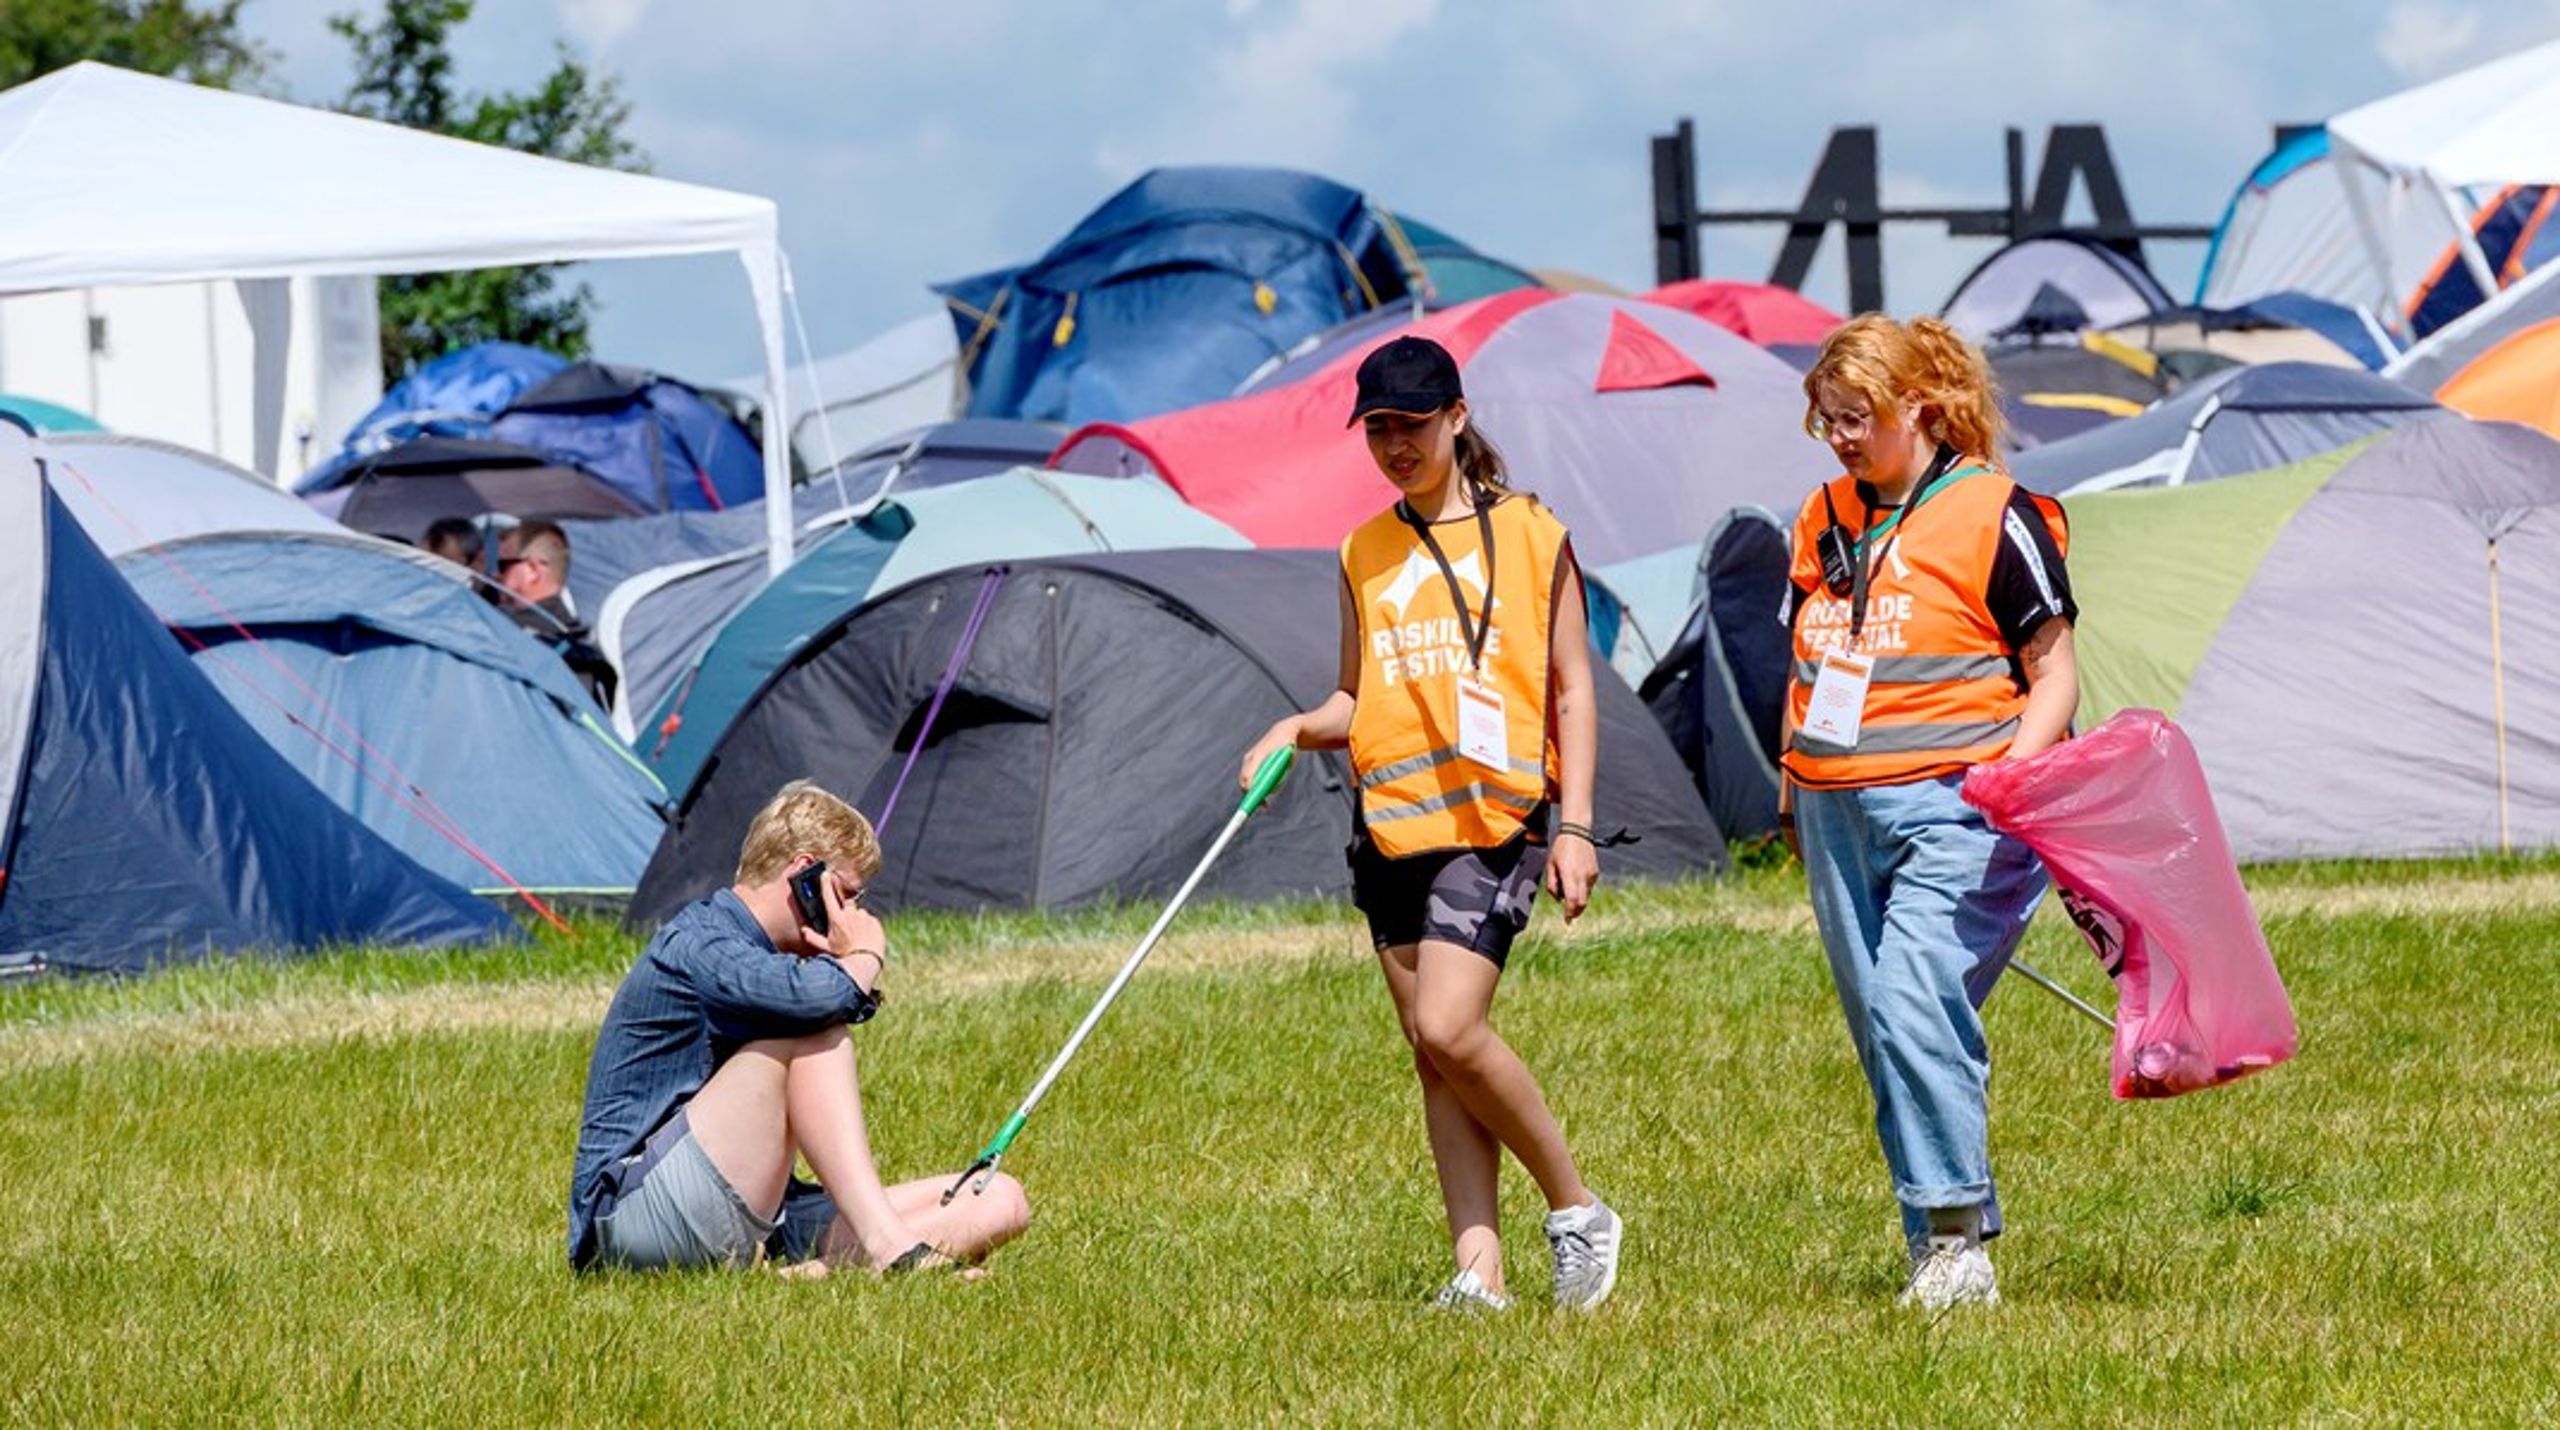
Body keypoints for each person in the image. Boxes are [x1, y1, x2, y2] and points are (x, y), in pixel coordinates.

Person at [1240, 335, 1622, 1314]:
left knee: (1452, 1025)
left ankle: (1577, 1208)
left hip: (1492, 821)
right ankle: (1477, 1272)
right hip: (1391, 826)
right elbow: (1354, 697)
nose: (1395, 446)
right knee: (1433, 1053)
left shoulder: (1532, 535)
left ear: (1457, 416)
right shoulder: (1361, 551)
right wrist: (1294, 727)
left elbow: (1573, 689)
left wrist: (1575, 828)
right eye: (1377, 429)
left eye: (1411, 424)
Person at [1778, 314, 2079, 1310]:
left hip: (1958, 804)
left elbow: (2055, 675)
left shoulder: (1997, 511)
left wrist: (2010, 781)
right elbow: (1807, 657)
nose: (1839, 439)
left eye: (1855, 418)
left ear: (1917, 406)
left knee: (1912, 1001)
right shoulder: (1820, 516)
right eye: (1825, 420)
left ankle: (1957, 1239)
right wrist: (1790, 786)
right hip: (1833, 811)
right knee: (1887, 1030)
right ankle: (1937, 1250)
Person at [566, 780, 1030, 1277]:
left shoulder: (762, 959)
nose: (851, 914)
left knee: (998, 1199)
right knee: (813, 1034)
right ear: (804, 877)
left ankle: (809, 1275)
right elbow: (819, 1001)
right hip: (628, 1222)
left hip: (754, 1210)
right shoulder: (701, 941)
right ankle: (890, 1250)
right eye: (844, 895)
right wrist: (863, 953)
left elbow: (817, 997)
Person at [497, 518, 618, 710]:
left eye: (503, 565)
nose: (496, 575)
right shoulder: (584, 648)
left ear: (533, 570)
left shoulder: (501, 629)